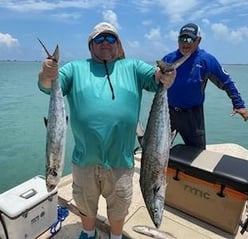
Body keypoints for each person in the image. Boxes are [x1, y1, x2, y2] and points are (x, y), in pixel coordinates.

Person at [38, 22, 176, 239]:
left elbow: (155, 77)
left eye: (110, 38)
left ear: (118, 44)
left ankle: (116, 236)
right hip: (85, 159)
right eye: (99, 39)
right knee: (85, 202)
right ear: (90, 45)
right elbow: (48, 84)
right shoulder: (75, 68)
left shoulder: (133, 67)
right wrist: (47, 72)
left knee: (119, 206)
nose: (105, 43)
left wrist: (165, 76)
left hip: (120, 160)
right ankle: (88, 232)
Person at [161, 23, 248, 149]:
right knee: (157, 151)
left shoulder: (206, 60)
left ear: (198, 40)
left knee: (197, 155)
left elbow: (227, 82)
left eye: (190, 39)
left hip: (192, 116)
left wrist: (239, 104)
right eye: (182, 39)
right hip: (166, 113)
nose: (185, 43)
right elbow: (155, 82)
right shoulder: (168, 59)